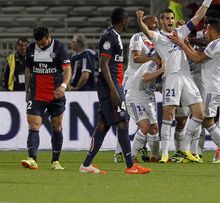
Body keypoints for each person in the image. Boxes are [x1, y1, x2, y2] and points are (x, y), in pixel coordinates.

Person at [136, 0, 213, 163]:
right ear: (161, 21)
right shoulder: (158, 37)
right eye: (166, 19)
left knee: (200, 113)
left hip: (186, 77)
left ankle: (184, 149)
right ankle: (164, 154)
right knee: (168, 114)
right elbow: (147, 32)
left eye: (171, 18)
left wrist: (208, 1)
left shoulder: (181, 32)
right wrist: (140, 21)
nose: (170, 21)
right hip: (171, 77)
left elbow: (198, 16)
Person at [79, 8, 150, 174]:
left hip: (114, 84)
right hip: (109, 87)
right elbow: (104, 64)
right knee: (123, 122)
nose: (128, 23)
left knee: (103, 125)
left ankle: (86, 164)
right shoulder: (109, 37)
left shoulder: (114, 36)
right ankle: (131, 166)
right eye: (127, 20)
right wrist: (113, 90)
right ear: (124, 21)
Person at [170, 18, 220, 164]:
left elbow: (196, 58)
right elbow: (194, 53)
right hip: (212, 86)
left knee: (204, 119)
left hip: (212, 87)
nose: (205, 32)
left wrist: (181, 42)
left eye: (207, 30)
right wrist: (185, 40)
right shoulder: (217, 43)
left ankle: (186, 151)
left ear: (212, 30)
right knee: (204, 120)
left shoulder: (217, 44)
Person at [20, 26, 72, 170]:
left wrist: (63, 86)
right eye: (38, 44)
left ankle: (55, 161)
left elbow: (67, 69)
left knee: (56, 126)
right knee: (34, 124)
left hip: (56, 93)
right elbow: (28, 70)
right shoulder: (31, 48)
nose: (41, 46)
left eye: (43, 43)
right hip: (37, 94)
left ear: (49, 37)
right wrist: (26, 90)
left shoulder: (59, 48)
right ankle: (32, 159)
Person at [113, 15, 159, 163]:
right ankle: (119, 152)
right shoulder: (137, 38)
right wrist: (154, 59)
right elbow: (136, 58)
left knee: (149, 123)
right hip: (131, 83)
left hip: (147, 87)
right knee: (125, 120)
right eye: (154, 22)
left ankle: (144, 149)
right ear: (145, 24)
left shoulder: (157, 39)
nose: (157, 24)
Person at [125, 59, 164, 163]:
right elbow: (145, 77)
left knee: (154, 129)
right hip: (134, 98)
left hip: (147, 99)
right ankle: (131, 157)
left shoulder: (163, 68)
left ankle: (155, 157)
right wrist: (162, 70)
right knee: (145, 126)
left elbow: (156, 86)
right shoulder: (152, 64)